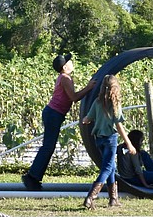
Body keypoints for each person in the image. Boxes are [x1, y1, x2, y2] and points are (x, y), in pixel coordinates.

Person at [22, 53, 97, 191]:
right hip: (53, 114)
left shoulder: (64, 77)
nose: (72, 63)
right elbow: (74, 97)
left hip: (54, 114)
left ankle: (34, 177)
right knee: (48, 147)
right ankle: (31, 177)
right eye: (69, 61)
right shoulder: (65, 78)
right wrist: (89, 88)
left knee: (48, 147)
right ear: (64, 66)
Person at [81, 75, 136, 209]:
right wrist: (129, 143)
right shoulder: (115, 105)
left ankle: (113, 199)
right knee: (107, 168)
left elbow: (88, 118)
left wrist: (85, 120)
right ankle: (91, 196)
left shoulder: (97, 102)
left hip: (99, 140)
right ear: (115, 88)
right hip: (111, 139)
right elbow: (119, 126)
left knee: (110, 167)